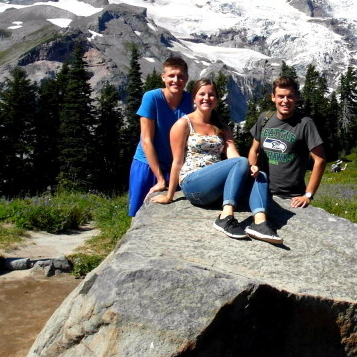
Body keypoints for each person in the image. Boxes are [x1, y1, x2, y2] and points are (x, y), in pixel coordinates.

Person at [152, 79, 275, 243]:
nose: (206, 98)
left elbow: (232, 154)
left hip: (216, 187)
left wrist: (250, 167)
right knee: (241, 162)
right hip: (193, 183)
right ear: (194, 98)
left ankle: (259, 222)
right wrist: (170, 195)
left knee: (260, 175)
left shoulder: (221, 127)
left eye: (211, 95)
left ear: (216, 100)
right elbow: (177, 162)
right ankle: (225, 217)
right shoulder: (183, 124)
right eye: (201, 94)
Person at [248, 76, 326, 213]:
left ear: (296, 98)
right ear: (273, 97)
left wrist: (308, 195)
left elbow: (320, 160)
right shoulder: (264, 119)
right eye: (281, 96)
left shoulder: (305, 124)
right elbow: (254, 150)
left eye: (290, 96)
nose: (285, 101)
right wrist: (252, 168)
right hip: (262, 190)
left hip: (292, 197)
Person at [128, 56, 193, 217]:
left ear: (186, 79)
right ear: (163, 77)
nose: (175, 80)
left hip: (174, 167)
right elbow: (146, 140)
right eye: (171, 76)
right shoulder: (152, 98)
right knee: (138, 213)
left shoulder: (191, 101)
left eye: (180, 76)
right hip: (147, 165)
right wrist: (160, 179)